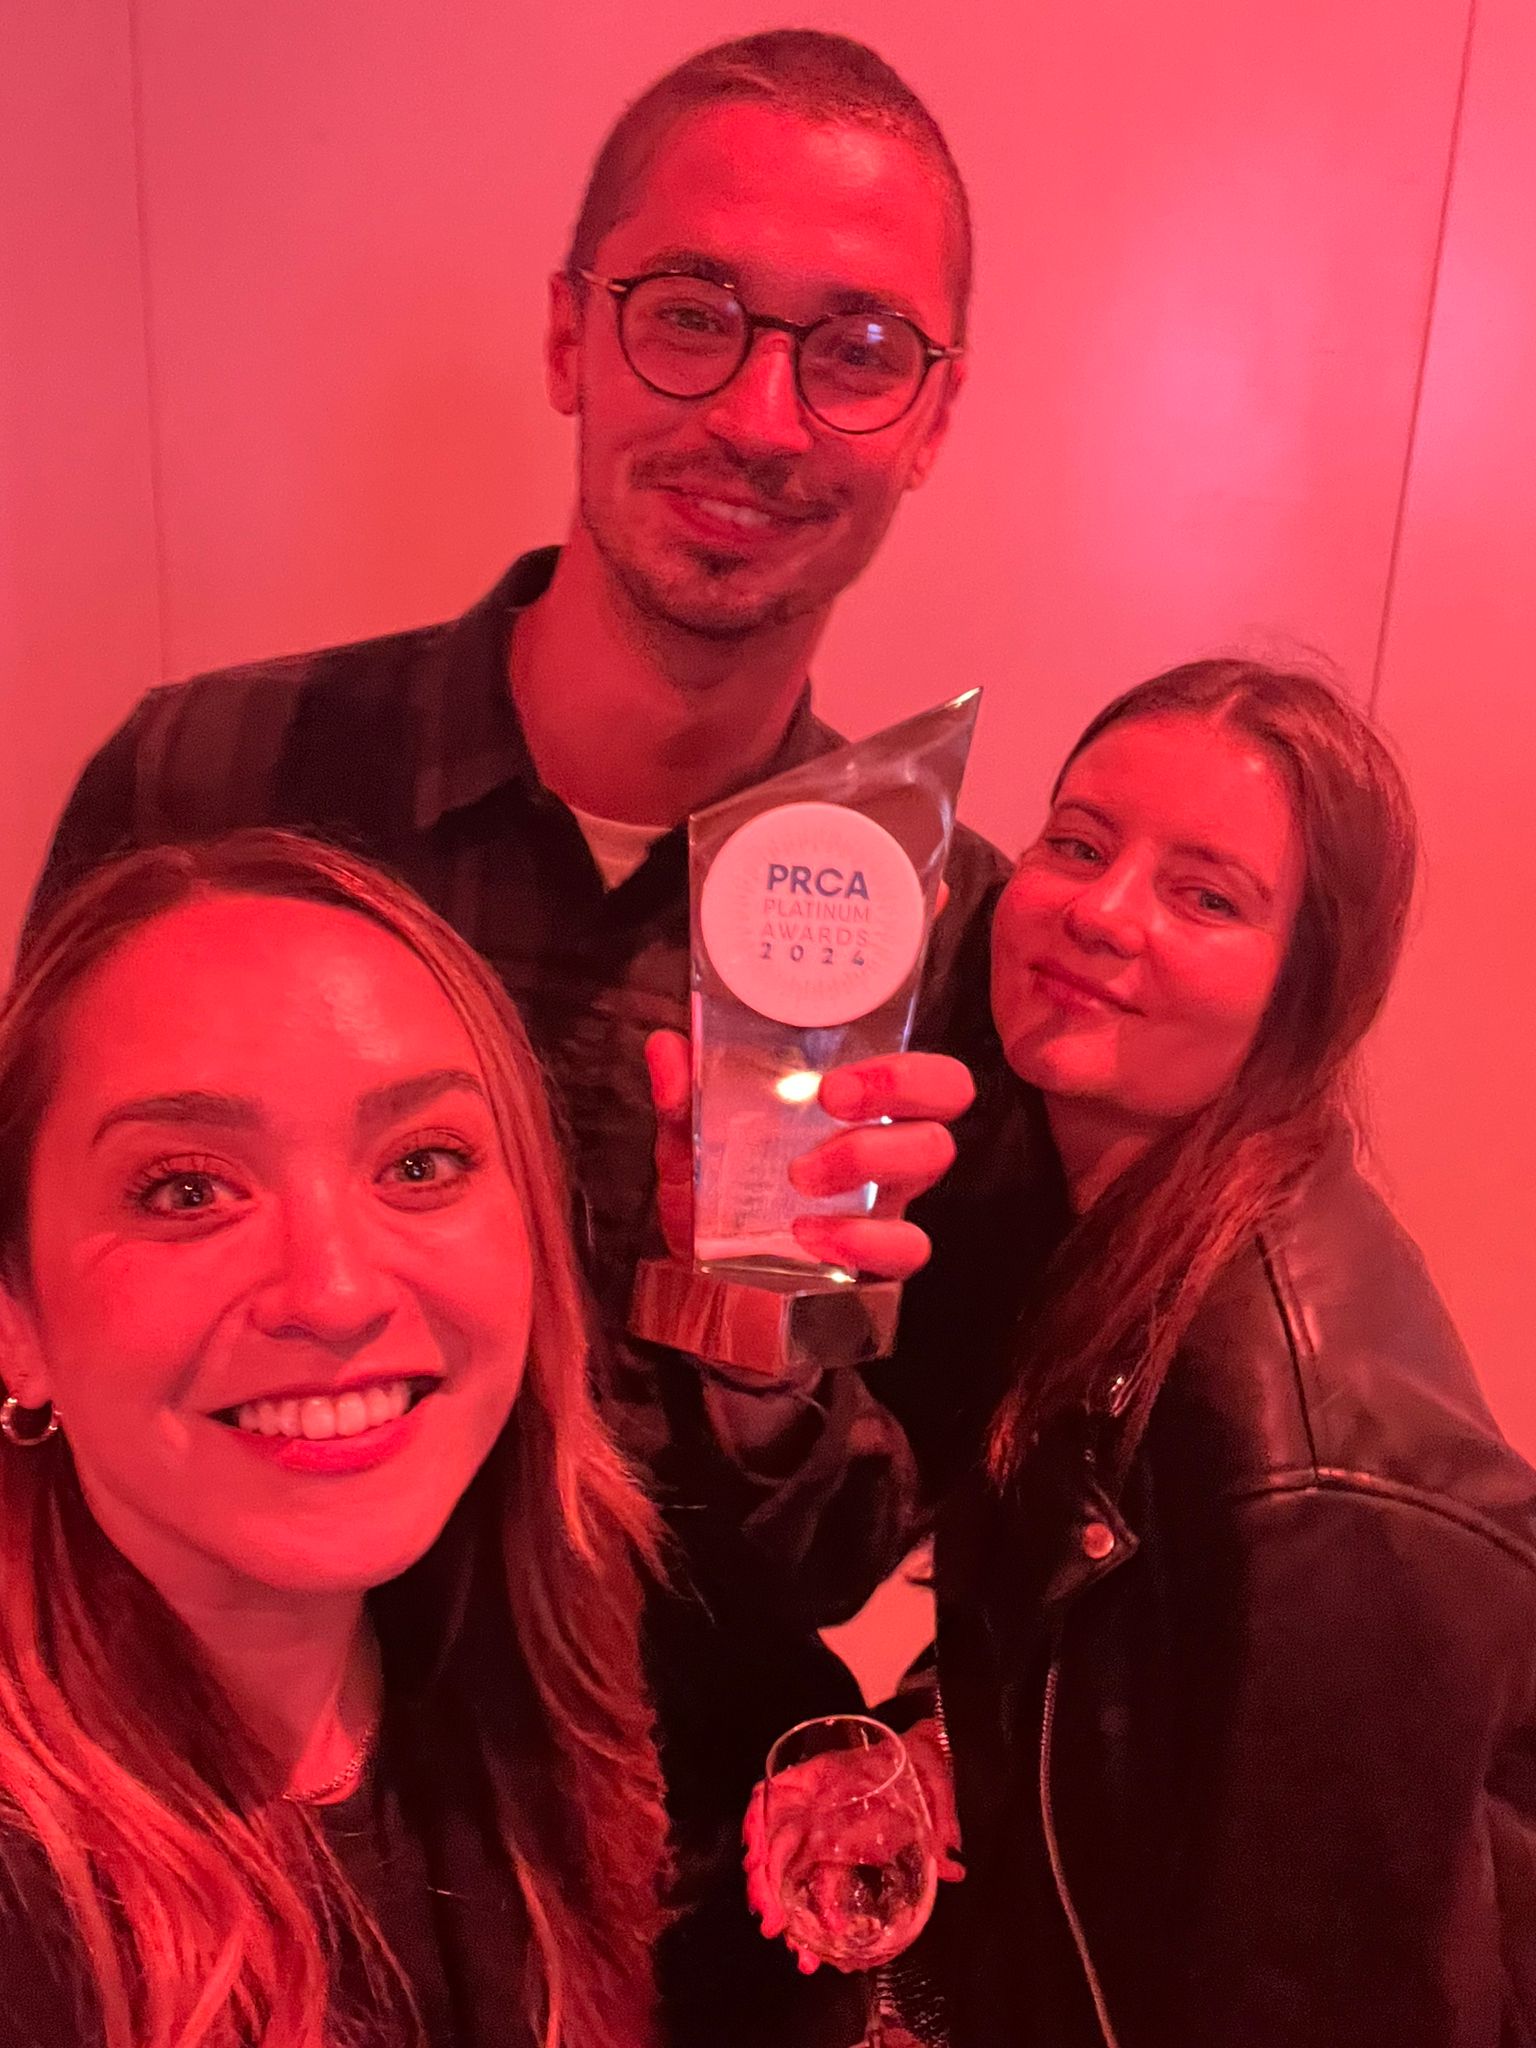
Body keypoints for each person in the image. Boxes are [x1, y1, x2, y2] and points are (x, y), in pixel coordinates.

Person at [29, 32, 1048, 2043]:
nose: (762, 411)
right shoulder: (217, 780)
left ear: (932, 421)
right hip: (219, 1879)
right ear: (572, 338)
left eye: (857, 349)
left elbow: (882, 1550)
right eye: (690, 317)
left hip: (701, 1910)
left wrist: (760, 1320)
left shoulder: (954, 934)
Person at [750, 660, 1536, 2046]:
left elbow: (1336, 2002)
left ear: (1308, 988)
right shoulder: (1078, 1235)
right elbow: (1105, 1685)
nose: (1101, 914)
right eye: (1080, 843)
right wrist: (934, 1754)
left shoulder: (1314, 1475)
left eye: (1206, 894)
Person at [0, 830, 667, 2048]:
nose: (337, 1289)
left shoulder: (523, 1680)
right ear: (16, 1316)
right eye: (188, 1188)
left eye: (422, 1161)